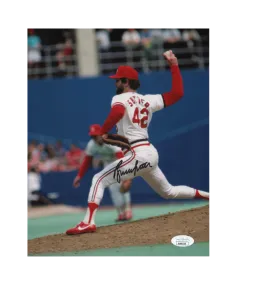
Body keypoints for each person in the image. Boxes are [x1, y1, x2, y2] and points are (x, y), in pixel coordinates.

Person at [66, 50, 209, 235]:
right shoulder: (148, 100)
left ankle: (88, 222)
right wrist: (174, 65)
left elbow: (117, 112)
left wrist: (102, 131)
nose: (115, 83)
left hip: (136, 153)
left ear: (126, 82)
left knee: (98, 179)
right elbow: (177, 93)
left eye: (118, 79)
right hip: (149, 152)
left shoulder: (119, 98)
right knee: (169, 192)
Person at [72, 124, 133, 222]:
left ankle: (128, 210)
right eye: (92, 136)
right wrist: (79, 176)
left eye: (96, 135)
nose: (94, 138)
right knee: (113, 189)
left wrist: (127, 176)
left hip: (120, 162)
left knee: (123, 187)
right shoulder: (91, 144)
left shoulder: (110, 141)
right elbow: (87, 161)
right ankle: (120, 213)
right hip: (108, 165)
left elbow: (121, 157)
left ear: (101, 134)